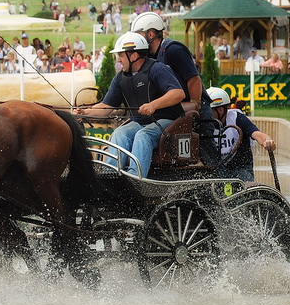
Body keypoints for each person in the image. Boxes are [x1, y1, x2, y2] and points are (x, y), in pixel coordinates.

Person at [77, 33, 185, 177]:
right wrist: (85, 113)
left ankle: (135, 178)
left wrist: (153, 105)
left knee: (143, 135)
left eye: (121, 56)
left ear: (133, 56)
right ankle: (110, 176)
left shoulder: (157, 69)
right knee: (119, 133)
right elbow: (106, 107)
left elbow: (178, 93)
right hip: (140, 122)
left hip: (167, 121)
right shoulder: (120, 78)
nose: (119, 60)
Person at [131, 11, 214, 163]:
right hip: (177, 108)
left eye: (139, 34)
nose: (136, 39)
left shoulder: (174, 50)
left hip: (197, 106)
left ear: (151, 34)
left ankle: (222, 180)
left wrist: (195, 105)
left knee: (208, 152)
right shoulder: (151, 57)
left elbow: (194, 79)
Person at [207, 87, 276, 182]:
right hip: (217, 170)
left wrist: (267, 141)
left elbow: (256, 133)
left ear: (220, 110)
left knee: (244, 182)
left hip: (241, 169)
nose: (205, 114)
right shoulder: (204, 125)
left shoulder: (238, 118)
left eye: (208, 111)